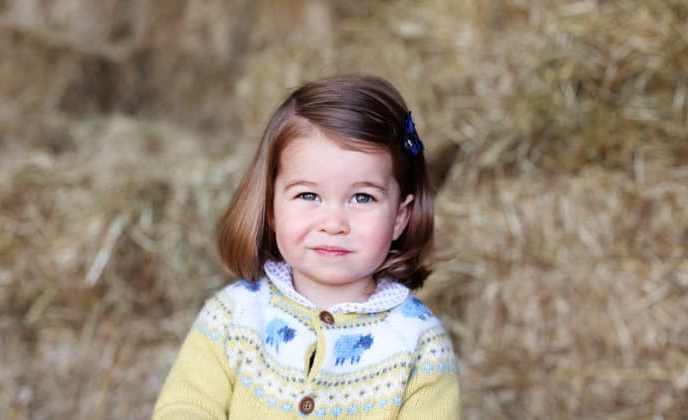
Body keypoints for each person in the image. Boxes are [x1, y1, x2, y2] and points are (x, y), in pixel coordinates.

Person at [153, 75, 461, 419]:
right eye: (308, 195)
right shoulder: (232, 318)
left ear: (399, 218)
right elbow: (185, 408)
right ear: (270, 207)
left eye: (362, 197)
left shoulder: (420, 345)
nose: (333, 223)